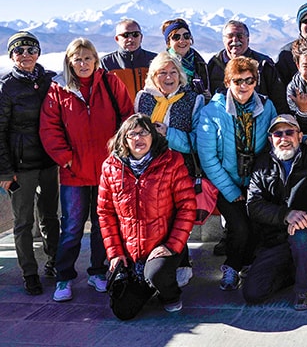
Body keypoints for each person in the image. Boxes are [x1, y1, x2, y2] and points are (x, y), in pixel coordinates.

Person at [40, 38, 134, 302]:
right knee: (72, 225)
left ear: (96, 60)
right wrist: (66, 159)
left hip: (108, 170)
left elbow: (127, 115)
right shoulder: (58, 90)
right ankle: (64, 277)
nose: (83, 64)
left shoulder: (110, 83)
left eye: (87, 58)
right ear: (70, 62)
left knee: (103, 225)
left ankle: (98, 271)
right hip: (74, 172)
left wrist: (120, 153)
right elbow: (50, 129)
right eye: (77, 59)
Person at [243, 114, 307, 310]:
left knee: (301, 237)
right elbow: (253, 205)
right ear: (270, 139)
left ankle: (304, 290)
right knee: (253, 292)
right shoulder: (262, 164)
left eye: (289, 132)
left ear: (300, 136)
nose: (284, 138)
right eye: (278, 134)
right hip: (277, 238)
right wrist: (285, 215)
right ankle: (305, 267)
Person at [98, 114, 196, 316]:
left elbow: (187, 206)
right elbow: (105, 213)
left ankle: (169, 292)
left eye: (143, 132)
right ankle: (148, 281)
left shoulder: (171, 161)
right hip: (130, 250)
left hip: (163, 243)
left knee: (157, 273)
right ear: (123, 139)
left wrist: (172, 245)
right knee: (123, 311)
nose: (138, 138)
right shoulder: (111, 167)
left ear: (153, 136)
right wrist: (115, 253)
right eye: (132, 134)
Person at [197, 56, 277, 291]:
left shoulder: (266, 106)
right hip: (227, 181)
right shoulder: (212, 111)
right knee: (239, 227)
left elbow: (273, 144)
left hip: (257, 181)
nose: (243, 86)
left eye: (249, 80)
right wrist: (230, 189)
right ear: (227, 82)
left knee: (256, 225)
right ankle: (231, 268)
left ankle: (249, 266)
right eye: (237, 80)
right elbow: (208, 157)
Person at [135, 51, 205, 287]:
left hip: (179, 168)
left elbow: (196, 141)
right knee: (154, 217)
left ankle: (182, 262)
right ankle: (153, 263)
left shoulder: (192, 99)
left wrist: (168, 134)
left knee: (177, 216)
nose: (168, 77)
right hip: (147, 169)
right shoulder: (142, 99)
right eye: (162, 72)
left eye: (173, 72)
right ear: (153, 76)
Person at [0, 32, 59, 295]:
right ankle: (29, 272)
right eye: (19, 50)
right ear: (12, 55)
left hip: (48, 160)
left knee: (50, 216)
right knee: (23, 221)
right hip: (21, 166)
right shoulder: (6, 86)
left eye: (31, 49)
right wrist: (4, 170)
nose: (26, 54)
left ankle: (55, 262)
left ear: (38, 53)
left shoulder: (49, 80)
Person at [208, 19, 289, 113]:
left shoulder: (263, 64)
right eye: (230, 36)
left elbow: (279, 100)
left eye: (240, 36)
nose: (235, 40)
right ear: (224, 40)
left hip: (259, 120)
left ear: (248, 39)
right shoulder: (213, 65)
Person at [101, 19, 158, 100]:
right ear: (117, 39)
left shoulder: (155, 60)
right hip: (120, 112)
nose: (131, 39)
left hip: (151, 112)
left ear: (141, 37)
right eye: (125, 35)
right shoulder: (107, 63)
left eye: (135, 34)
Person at [161, 18, 211, 100]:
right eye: (176, 37)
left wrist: (206, 96)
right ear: (168, 42)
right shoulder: (163, 64)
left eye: (186, 36)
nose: (182, 40)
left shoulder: (199, 62)